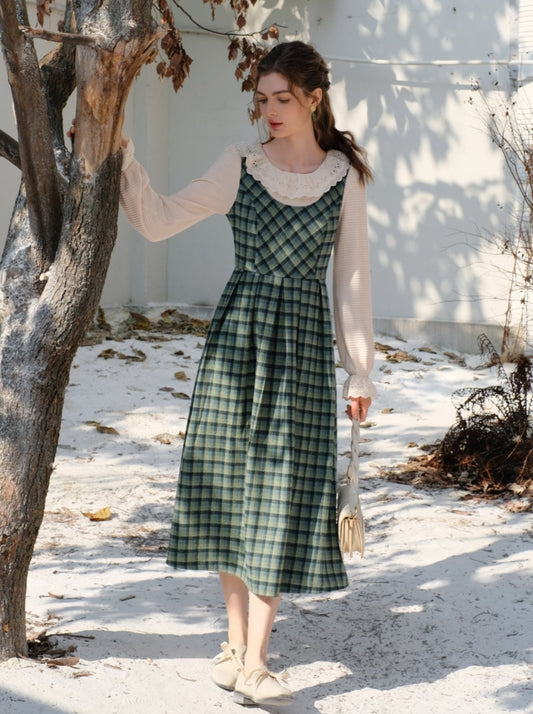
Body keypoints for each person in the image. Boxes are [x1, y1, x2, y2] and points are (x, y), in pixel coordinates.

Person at [119, 40, 377, 707]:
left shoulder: (343, 176)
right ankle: (236, 648)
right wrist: (121, 154)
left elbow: (351, 278)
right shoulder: (240, 163)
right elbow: (158, 220)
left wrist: (359, 371)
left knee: (283, 496)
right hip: (238, 344)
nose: (269, 111)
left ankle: (257, 660)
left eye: (281, 99)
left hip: (302, 351)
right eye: (261, 99)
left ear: (314, 98)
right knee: (232, 492)